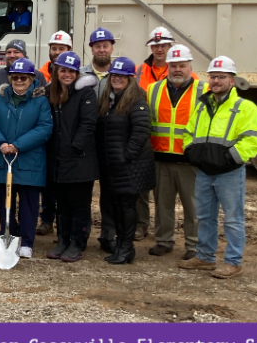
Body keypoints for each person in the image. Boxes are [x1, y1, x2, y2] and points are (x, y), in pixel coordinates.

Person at [179, 56, 257, 279]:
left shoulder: (245, 108)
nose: (215, 81)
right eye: (213, 76)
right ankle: (205, 257)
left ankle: (233, 262)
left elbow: (253, 141)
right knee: (205, 216)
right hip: (204, 172)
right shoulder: (202, 106)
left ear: (232, 81)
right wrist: (192, 152)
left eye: (221, 77)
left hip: (229, 173)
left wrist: (229, 159)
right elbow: (188, 133)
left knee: (233, 219)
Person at [0, 57, 52, 257]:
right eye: (15, 78)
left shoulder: (40, 101)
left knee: (29, 203)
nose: (19, 81)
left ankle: (27, 242)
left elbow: (44, 128)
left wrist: (17, 145)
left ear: (31, 79)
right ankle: (9, 235)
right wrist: (1, 143)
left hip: (29, 160)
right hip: (3, 159)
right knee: (6, 202)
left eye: (23, 78)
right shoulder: (0, 97)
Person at [146, 45, 207, 260]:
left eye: (182, 65)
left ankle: (194, 245)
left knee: (194, 206)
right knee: (163, 204)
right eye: (173, 65)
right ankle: (164, 241)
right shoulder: (153, 89)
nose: (177, 69)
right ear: (167, 67)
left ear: (190, 66)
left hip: (190, 160)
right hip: (160, 157)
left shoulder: (204, 90)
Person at [96, 57, 155, 265]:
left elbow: (140, 133)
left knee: (127, 208)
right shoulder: (109, 100)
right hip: (112, 166)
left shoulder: (137, 100)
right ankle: (122, 246)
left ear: (130, 78)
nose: (117, 78)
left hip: (128, 167)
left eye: (122, 75)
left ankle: (126, 247)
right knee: (117, 207)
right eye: (115, 75)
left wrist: (126, 157)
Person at [44, 52, 99, 262]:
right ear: (57, 71)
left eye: (71, 71)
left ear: (77, 73)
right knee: (62, 203)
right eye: (63, 70)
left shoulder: (85, 93)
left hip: (79, 160)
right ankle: (62, 239)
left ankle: (77, 241)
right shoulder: (51, 93)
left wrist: (74, 146)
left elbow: (88, 124)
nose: (67, 74)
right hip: (58, 159)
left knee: (79, 204)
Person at [84, 27, 118, 252]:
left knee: (110, 193)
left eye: (105, 45)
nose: (102, 49)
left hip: (109, 142)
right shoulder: (80, 74)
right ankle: (81, 234)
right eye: (98, 46)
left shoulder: (120, 75)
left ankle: (108, 235)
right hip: (85, 142)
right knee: (82, 192)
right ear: (92, 49)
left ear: (111, 47)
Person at [36, 31, 72, 236]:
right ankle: (47, 219)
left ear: (69, 50)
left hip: (65, 136)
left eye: (61, 49)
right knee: (47, 183)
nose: (57, 52)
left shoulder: (74, 72)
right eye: (54, 48)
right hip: (46, 136)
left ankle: (64, 223)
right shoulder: (41, 74)